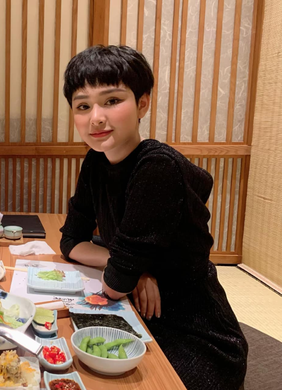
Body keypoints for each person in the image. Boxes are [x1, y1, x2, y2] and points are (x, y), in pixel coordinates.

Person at [59, 45, 247, 390]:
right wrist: (136, 270)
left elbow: (115, 283)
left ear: (143, 103)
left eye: (112, 101)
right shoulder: (95, 163)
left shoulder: (156, 167)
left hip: (194, 335)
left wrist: (126, 271)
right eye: (83, 106)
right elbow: (71, 241)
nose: (96, 117)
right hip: (136, 315)